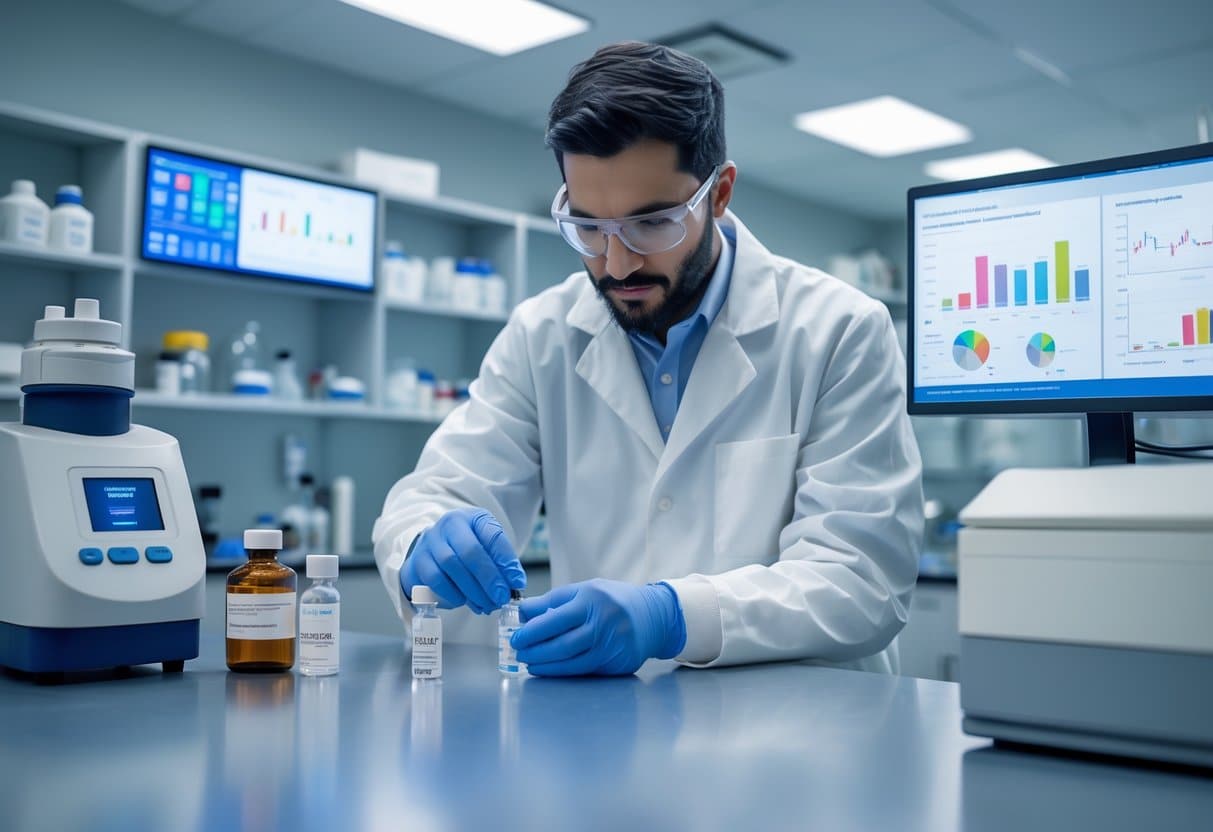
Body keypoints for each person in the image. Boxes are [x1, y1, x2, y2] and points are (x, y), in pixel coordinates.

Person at [373, 41, 923, 677]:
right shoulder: (541, 335)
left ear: (719, 194)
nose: (617, 263)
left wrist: (672, 615)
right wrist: (425, 543)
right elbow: (434, 494)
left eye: (651, 223)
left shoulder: (839, 331)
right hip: (609, 735)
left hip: (795, 737)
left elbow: (861, 581)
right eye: (588, 227)